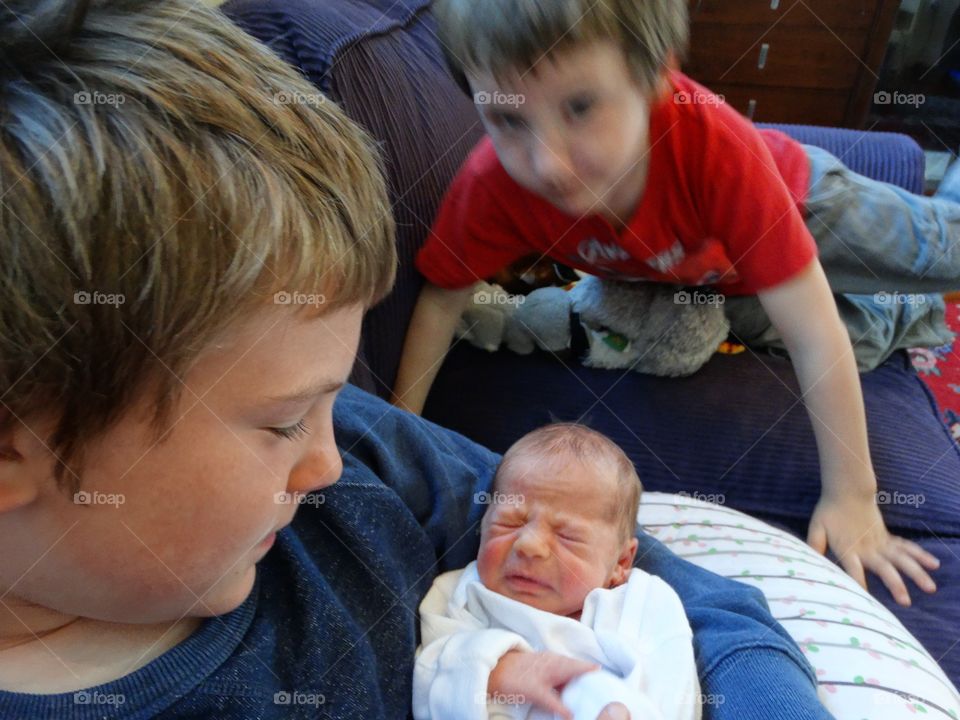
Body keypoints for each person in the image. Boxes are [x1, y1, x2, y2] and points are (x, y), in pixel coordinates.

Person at [0, 1, 834, 717]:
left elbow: (696, 599)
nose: (329, 463)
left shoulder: (366, 457)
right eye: (285, 422)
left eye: (329, 403)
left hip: (787, 213)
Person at [392, 0, 955, 608]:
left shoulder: (718, 152)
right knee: (870, 336)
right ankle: (910, 312)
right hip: (704, 277)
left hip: (804, 204)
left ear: (654, 74)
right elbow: (440, 301)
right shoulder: (493, 186)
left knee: (938, 255)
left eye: (580, 108)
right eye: (508, 121)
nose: (546, 163)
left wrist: (853, 498)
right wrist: (400, 448)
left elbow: (813, 332)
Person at [414, 424, 700, 720]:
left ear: (621, 563)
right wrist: (496, 669)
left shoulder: (644, 602)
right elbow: (428, 676)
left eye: (568, 536)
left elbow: (675, 685)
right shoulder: (460, 593)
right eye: (509, 523)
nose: (529, 545)